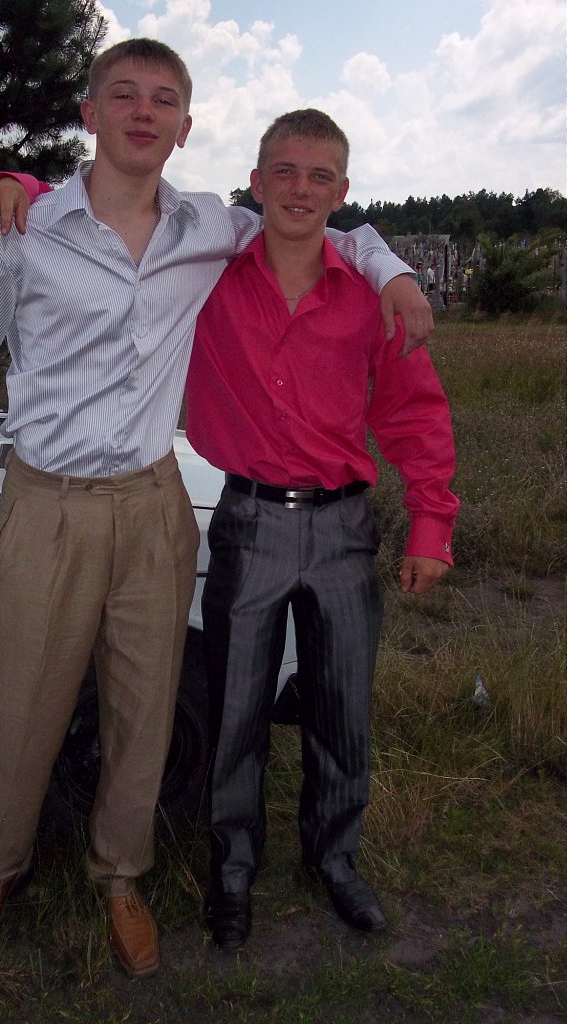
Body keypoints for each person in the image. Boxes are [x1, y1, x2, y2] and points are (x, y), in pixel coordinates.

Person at [0, 39, 431, 978]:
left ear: (186, 128)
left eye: (163, 100)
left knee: (145, 706)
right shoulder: (22, 230)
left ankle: (122, 877)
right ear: (92, 114)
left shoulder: (208, 228)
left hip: (154, 500)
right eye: (124, 95)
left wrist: (391, 267)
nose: (143, 112)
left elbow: (322, 227)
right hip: (47, 502)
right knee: (21, 704)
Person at [184, 109, 459, 950]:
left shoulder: (372, 296)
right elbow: (122, 206)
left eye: (319, 176)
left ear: (341, 191)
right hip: (248, 522)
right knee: (236, 712)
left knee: (341, 708)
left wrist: (431, 525)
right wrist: (18, 184)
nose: (300, 190)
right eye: (285, 172)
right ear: (257, 182)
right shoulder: (208, 276)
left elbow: (414, 413)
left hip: (342, 528)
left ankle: (334, 860)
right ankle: (233, 870)